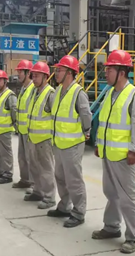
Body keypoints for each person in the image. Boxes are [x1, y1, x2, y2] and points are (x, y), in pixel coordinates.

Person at [93, 50, 135, 254]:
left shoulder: (134, 95)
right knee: (111, 193)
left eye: (110, 70)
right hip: (108, 152)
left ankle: (133, 236)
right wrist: (99, 143)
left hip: (124, 156)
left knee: (127, 196)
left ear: (122, 72)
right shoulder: (110, 93)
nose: (105, 73)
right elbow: (104, 122)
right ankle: (111, 226)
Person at [49, 55, 92, 228]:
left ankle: (79, 212)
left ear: (69, 73)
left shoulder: (78, 93)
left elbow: (86, 116)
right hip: (59, 142)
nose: (56, 73)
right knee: (60, 177)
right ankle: (64, 206)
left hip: (72, 144)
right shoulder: (58, 91)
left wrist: (86, 131)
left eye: (59, 70)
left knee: (74, 179)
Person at [25, 61, 57, 209]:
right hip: (33, 137)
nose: (34, 78)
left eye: (37, 76)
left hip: (45, 139)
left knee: (46, 169)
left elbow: (55, 117)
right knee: (34, 167)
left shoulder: (50, 94)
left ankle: (49, 197)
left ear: (45, 77)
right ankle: (38, 191)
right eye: (33, 75)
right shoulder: (34, 92)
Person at [13, 60, 35, 190]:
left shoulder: (32, 89)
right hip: (21, 130)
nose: (18, 74)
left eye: (21, 71)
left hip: (29, 131)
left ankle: (33, 183)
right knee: (22, 157)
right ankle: (25, 179)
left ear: (28, 73)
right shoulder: (23, 89)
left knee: (31, 158)